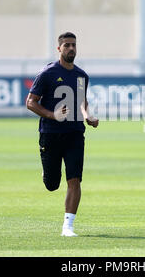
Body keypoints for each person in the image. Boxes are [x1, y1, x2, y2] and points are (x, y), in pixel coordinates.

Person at [26, 32, 99, 237]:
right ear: (59, 49)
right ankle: (47, 172)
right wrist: (52, 115)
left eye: (74, 45)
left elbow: (82, 101)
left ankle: (68, 226)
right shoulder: (48, 73)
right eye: (66, 45)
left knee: (74, 180)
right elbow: (30, 102)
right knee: (51, 184)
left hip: (75, 133)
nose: (71, 49)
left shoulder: (82, 75)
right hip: (50, 134)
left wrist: (87, 116)